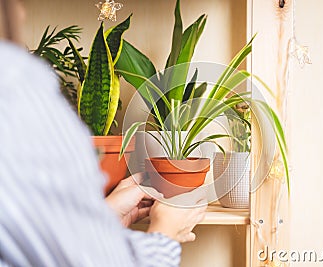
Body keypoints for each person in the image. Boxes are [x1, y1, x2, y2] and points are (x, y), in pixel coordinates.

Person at [0, 0, 206, 266]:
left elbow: (22, 232)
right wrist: (166, 233)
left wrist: (104, 217)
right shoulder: (14, 89)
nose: (22, 11)